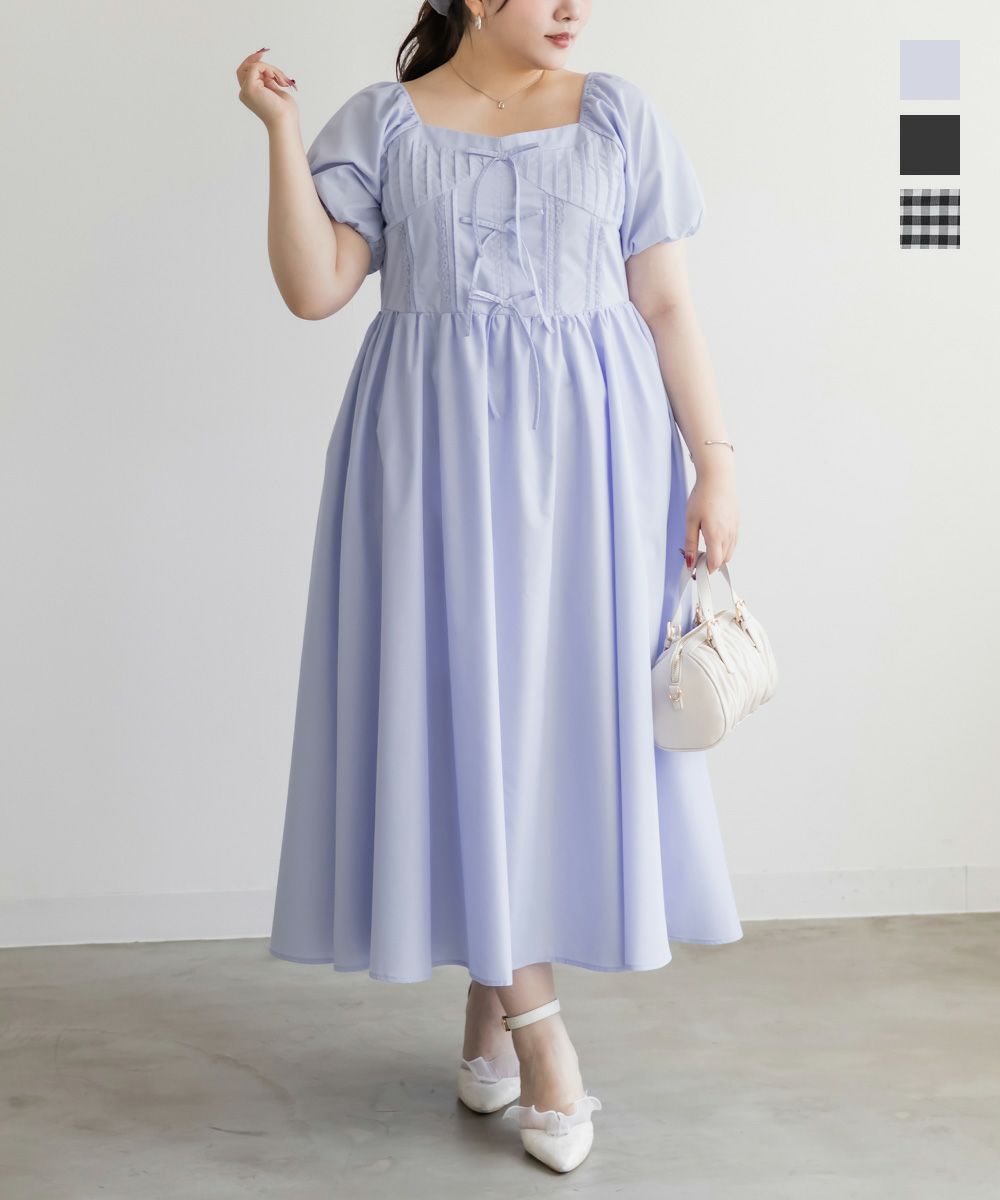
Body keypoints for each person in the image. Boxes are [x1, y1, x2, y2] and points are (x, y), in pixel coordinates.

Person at [237, 0, 742, 1174]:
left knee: (551, 731)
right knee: (464, 716)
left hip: (599, 466)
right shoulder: (384, 125)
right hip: (431, 463)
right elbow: (314, 289)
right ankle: (541, 1037)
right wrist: (281, 131)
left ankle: (490, 1006)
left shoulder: (617, 116)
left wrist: (715, 463)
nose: (572, 8)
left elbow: (665, 302)